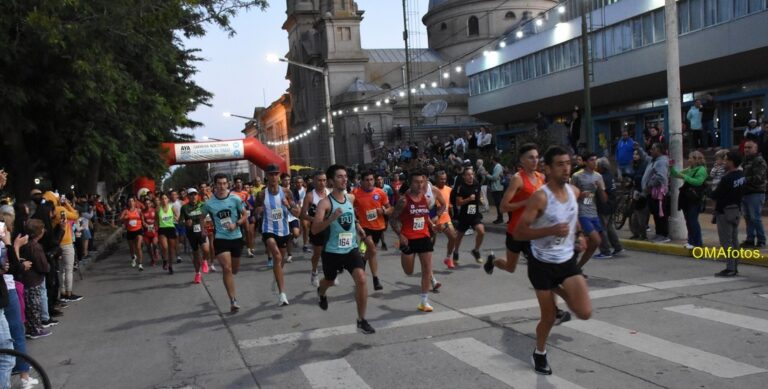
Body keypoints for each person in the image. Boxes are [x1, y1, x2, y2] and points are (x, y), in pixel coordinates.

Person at [513, 145, 592, 375]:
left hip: (566, 260)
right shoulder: (540, 198)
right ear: (547, 168)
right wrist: (549, 230)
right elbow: (519, 233)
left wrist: (579, 235)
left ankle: (556, 288)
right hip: (541, 263)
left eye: (568, 163)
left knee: (584, 312)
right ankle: (539, 353)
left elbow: (572, 217)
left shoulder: (574, 192)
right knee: (548, 317)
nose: (566, 168)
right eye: (560, 164)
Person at [312, 165, 375, 334]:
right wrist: (331, 218)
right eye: (340, 177)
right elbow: (315, 229)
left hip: (351, 249)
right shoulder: (324, 203)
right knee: (330, 281)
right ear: (331, 181)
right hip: (332, 252)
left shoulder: (351, 198)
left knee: (361, 279)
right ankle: (322, 292)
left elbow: (351, 217)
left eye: (345, 176)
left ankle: (361, 320)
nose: (344, 179)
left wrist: (358, 226)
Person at [485, 143, 544, 275]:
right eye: (531, 157)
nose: (535, 160)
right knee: (510, 267)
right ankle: (493, 261)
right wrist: (526, 202)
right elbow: (503, 207)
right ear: (522, 160)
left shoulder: (541, 178)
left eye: (536, 157)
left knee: (540, 268)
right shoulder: (518, 179)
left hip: (533, 231)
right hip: (516, 231)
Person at [390, 171, 440, 312]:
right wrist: (400, 235)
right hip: (408, 240)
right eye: (416, 182)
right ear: (410, 183)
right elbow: (392, 219)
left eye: (421, 182)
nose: (419, 184)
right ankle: (423, 300)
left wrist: (432, 225)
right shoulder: (404, 200)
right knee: (409, 272)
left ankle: (424, 302)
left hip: (423, 237)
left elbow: (424, 216)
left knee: (427, 269)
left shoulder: (424, 198)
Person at [256, 165, 300, 307]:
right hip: (268, 229)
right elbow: (256, 211)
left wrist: (288, 205)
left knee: (280, 262)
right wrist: (259, 210)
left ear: (278, 176)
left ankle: (276, 278)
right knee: (277, 256)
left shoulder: (287, 192)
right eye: (271, 174)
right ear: (267, 176)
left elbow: (296, 213)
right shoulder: (261, 195)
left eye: (276, 174)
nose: (274, 177)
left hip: (284, 230)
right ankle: (282, 295)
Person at [204, 174, 247, 312]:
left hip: (236, 237)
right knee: (226, 268)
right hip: (220, 238)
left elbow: (245, 214)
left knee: (234, 269)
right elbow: (201, 217)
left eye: (224, 183)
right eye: (219, 184)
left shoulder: (235, 198)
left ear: (228, 184)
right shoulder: (209, 203)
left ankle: (232, 293)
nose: (221, 186)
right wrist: (203, 230)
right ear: (214, 185)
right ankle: (233, 300)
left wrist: (237, 223)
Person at [352, 171, 391, 291]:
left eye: (371, 179)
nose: (369, 182)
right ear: (361, 181)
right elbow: (348, 206)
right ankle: (376, 279)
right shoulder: (355, 193)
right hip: (364, 227)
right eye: (367, 180)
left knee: (370, 251)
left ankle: (363, 260)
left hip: (378, 227)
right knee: (372, 249)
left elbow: (390, 209)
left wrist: (384, 211)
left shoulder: (380, 193)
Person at [571, 152, 607, 266]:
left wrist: (600, 188)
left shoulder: (598, 176)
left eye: (595, 160)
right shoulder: (577, 176)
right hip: (582, 212)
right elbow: (570, 195)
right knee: (596, 240)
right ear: (585, 162)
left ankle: (577, 266)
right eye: (591, 160)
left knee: (594, 243)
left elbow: (604, 199)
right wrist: (581, 195)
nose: (594, 162)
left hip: (593, 212)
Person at [712, 151, 745, 277]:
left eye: (726, 160)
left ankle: (730, 268)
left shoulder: (727, 178)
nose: (724, 162)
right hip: (736, 209)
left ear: (731, 161)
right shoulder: (741, 175)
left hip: (724, 211)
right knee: (734, 240)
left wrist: (707, 191)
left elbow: (716, 194)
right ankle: (735, 265)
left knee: (726, 241)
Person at [20, 220, 52, 339]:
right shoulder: (35, 246)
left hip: (27, 278)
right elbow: (42, 265)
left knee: (30, 305)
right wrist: (48, 267)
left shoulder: (25, 243)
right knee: (34, 305)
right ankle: (36, 329)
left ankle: (31, 328)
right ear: (39, 232)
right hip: (33, 279)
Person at [670, 151, 708, 249]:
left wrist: (685, 177)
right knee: (688, 220)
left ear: (696, 159)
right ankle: (691, 240)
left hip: (694, 199)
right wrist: (671, 167)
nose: (689, 160)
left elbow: (698, 182)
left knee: (693, 220)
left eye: (690, 158)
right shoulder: (690, 169)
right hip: (686, 198)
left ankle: (697, 242)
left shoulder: (701, 170)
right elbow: (676, 174)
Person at [301, 171, 331, 287]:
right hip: (317, 229)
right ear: (314, 181)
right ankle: (314, 272)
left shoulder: (330, 193)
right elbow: (303, 215)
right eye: (319, 180)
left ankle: (330, 274)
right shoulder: (310, 196)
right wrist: (316, 219)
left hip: (329, 228)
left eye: (324, 180)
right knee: (318, 253)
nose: (322, 183)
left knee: (330, 252)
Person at [451, 166, 486, 264]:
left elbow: (479, 197)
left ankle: (476, 250)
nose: (470, 176)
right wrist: (468, 199)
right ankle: (456, 252)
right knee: (459, 236)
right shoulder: (461, 187)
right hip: (464, 216)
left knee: (481, 231)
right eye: (468, 175)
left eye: (472, 174)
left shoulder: (477, 185)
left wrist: (482, 201)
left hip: (474, 214)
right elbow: (458, 203)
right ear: (464, 177)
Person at [740, 139, 767, 248]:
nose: (746, 149)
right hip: (745, 192)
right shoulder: (745, 161)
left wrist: (743, 179)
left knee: (755, 217)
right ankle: (750, 239)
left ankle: (761, 240)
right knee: (747, 217)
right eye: (745, 147)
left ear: (755, 149)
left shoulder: (759, 161)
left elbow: (759, 178)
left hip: (756, 192)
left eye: (749, 147)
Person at [642, 142, 671, 243]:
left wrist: (650, 183)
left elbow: (661, 177)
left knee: (660, 214)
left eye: (653, 149)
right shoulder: (654, 160)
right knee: (655, 214)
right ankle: (659, 233)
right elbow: (646, 157)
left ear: (658, 150)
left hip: (659, 193)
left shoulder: (661, 162)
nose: (651, 150)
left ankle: (664, 234)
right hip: (652, 193)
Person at [595, 158, 623, 257]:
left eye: (597, 165)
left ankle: (605, 250)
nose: (595, 167)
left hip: (603, 206)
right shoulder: (610, 176)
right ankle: (618, 247)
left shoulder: (601, 178)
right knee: (609, 227)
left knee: (601, 228)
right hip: (611, 205)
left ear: (601, 167)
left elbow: (597, 193)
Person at [181, 188, 209, 284]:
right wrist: (185, 223)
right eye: (191, 195)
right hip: (191, 233)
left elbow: (208, 216)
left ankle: (205, 260)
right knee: (196, 255)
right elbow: (180, 221)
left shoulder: (202, 205)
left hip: (201, 231)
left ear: (198, 195)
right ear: (188, 197)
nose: (193, 196)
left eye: (195, 194)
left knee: (206, 250)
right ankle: (197, 273)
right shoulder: (184, 208)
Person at [433, 171, 459, 269]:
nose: (443, 181)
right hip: (434, 220)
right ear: (436, 179)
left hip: (446, 218)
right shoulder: (432, 190)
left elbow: (451, 204)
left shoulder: (449, 189)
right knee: (431, 245)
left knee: (453, 237)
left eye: (445, 179)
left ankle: (448, 258)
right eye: (441, 179)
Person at [280, 173, 301, 264]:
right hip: (283, 215)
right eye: (285, 180)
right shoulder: (279, 190)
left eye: (288, 179)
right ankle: (289, 255)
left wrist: (296, 208)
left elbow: (297, 201)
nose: (287, 181)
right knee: (287, 237)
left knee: (296, 233)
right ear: (281, 181)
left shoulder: (293, 189)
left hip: (292, 214)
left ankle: (291, 240)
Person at [156, 193, 179, 274]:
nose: (164, 200)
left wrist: (176, 218)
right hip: (162, 229)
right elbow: (156, 219)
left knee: (171, 249)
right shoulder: (158, 209)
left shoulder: (171, 207)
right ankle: (165, 260)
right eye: (162, 199)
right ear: (160, 200)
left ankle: (170, 266)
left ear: (168, 199)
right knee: (165, 247)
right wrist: (156, 228)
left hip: (171, 229)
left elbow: (177, 216)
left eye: (165, 198)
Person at [121, 197, 145, 271]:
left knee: (138, 247)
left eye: (132, 201)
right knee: (131, 248)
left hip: (138, 230)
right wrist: (125, 217)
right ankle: (133, 257)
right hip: (130, 231)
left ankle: (140, 264)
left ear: (135, 202)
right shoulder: (126, 211)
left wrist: (145, 225)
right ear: (128, 203)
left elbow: (142, 219)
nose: (131, 202)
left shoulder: (138, 210)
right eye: (129, 201)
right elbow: (120, 218)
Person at [375, 174, 394, 251]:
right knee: (381, 228)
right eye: (378, 180)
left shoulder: (387, 187)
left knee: (385, 227)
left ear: (383, 180)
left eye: (381, 179)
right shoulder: (374, 189)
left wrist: (391, 207)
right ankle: (383, 242)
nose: (379, 181)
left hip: (386, 209)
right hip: (378, 211)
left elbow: (392, 197)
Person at [486, 155, 505, 224]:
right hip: (496, 187)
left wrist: (486, 174)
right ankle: (499, 218)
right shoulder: (497, 166)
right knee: (498, 204)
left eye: (492, 159)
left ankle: (500, 218)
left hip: (497, 188)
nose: (491, 160)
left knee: (498, 204)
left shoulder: (498, 167)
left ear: (494, 160)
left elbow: (494, 177)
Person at [141, 198, 160, 266]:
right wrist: (146, 225)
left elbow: (157, 220)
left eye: (149, 203)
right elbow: (142, 221)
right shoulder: (142, 212)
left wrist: (156, 227)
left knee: (155, 243)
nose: (147, 205)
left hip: (154, 231)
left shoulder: (154, 211)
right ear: (144, 204)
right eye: (146, 204)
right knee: (148, 247)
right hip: (146, 232)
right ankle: (152, 259)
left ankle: (156, 251)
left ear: (151, 204)